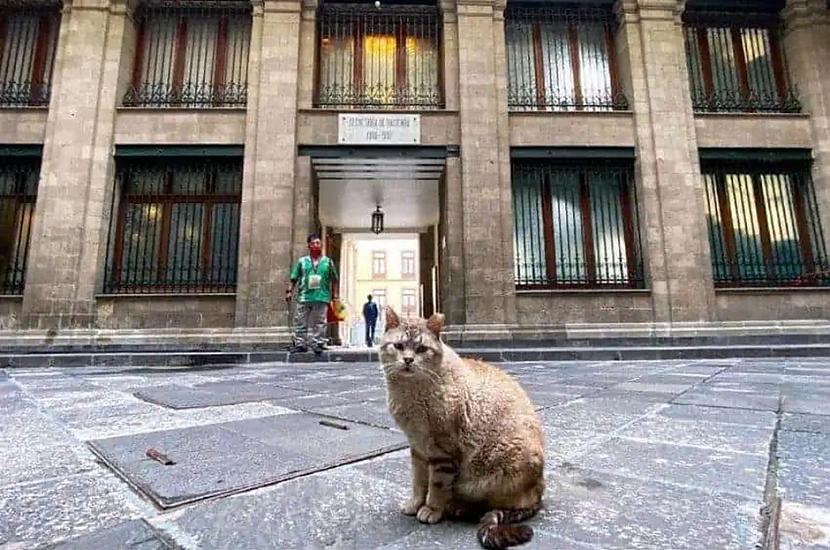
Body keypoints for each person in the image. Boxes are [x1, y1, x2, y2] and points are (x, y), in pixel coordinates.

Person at [286, 234, 339, 355]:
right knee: (300, 321)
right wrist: (289, 291)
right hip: (305, 296)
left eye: (318, 243)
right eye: (313, 243)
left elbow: (334, 279)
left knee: (320, 322)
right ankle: (301, 344)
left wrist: (335, 295)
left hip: (322, 296)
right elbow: (294, 278)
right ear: (309, 246)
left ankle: (318, 343)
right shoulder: (302, 261)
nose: (316, 245)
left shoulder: (328, 262)